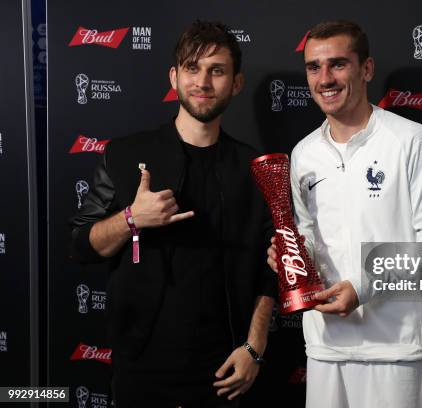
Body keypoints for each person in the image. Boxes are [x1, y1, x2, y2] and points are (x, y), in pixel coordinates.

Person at [70, 20, 276, 408]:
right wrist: (131, 217)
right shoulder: (125, 154)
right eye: (192, 68)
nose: (203, 81)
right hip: (142, 369)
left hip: (226, 370)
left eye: (217, 70)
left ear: (235, 83)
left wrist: (255, 346)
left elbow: (273, 270)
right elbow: (80, 245)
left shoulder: (255, 168)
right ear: (174, 76)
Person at [267, 21, 422, 408]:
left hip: (395, 347)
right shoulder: (304, 154)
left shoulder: (410, 140)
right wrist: (290, 258)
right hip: (325, 346)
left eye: (338, 64)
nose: (325, 79)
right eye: (314, 67)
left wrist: (364, 286)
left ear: (366, 69)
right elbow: (306, 237)